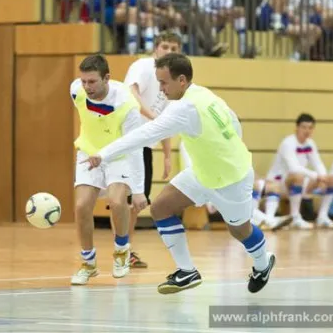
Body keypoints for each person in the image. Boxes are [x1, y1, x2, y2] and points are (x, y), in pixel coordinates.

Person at [81, 53, 276, 295]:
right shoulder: (203, 93)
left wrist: (104, 154)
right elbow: (235, 123)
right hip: (203, 172)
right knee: (160, 208)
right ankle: (187, 271)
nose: (161, 89)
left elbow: (144, 134)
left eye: (164, 83)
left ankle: (262, 263)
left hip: (231, 179)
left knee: (240, 230)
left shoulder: (184, 108)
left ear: (181, 80)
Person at [70, 54, 146, 285]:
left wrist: (139, 190)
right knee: (81, 206)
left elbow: (135, 147)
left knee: (117, 201)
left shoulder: (127, 105)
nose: (87, 87)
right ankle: (88, 263)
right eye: (84, 81)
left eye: (92, 81)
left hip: (119, 156)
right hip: (88, 152)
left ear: (107, 78)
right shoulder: (76, 91)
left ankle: (122, 251)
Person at [119, 31, 180, 269]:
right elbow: (131, 93)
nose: (169, 51)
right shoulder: (143, 66)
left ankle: (126, 250)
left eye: (174, 48)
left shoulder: (171, 80)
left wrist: (167, 154)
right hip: (126, 140)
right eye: (165, 46)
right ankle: (120, 249)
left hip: (144, 145)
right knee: (122, 199)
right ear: (156, 48)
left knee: (137, 202)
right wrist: (153, 117)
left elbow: (167, 117)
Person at [264, 113, 333, 229]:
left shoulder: (310, 143)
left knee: (331, 179)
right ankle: (295, 217)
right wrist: (317, 176)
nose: (307, 131)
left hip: (299, 182)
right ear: (297, 128)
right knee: (298, 176)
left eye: (310, 128)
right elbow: (294, 168)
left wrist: (323, 177)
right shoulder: (288, 143)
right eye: (304, 127)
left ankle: (322, 217)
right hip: (278, 183)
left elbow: (318, 163)